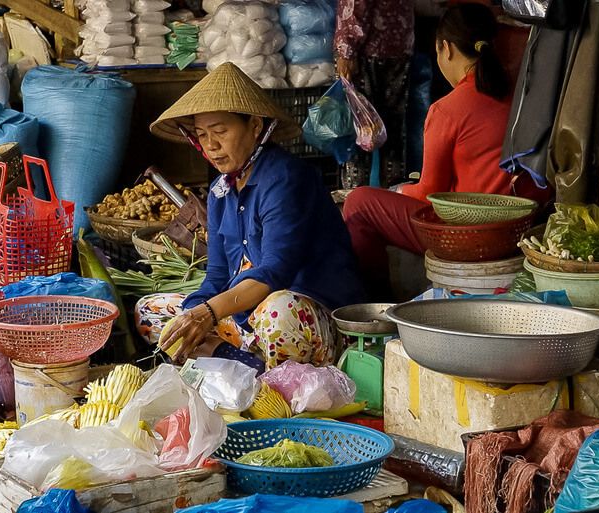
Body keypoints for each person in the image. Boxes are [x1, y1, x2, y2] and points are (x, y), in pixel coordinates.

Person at [135, 62, 365, 373]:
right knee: (152, 311)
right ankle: (244, 362)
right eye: (202, 135)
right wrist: (193, 313)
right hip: (246, 322)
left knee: (277, 311)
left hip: (309, 319)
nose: (211, 145)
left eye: (220, 131)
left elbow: (276, 271)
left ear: (255, 126)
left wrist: (208, 314)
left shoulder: (286, 178)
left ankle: (258, 373)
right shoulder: (220, 190)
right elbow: (217, 275)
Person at [342, 3, 547, 299]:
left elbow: (429, 193)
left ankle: (376, 304)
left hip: (470, 233)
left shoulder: (448, 110)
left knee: (360, 202)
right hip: (519, 226)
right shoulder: (524, 99)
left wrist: (399, 192)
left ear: (446, 48)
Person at [334, 0, 415, 186]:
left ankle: (354, 200)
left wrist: (346, 50)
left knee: (360, 131)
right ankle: (393, 197)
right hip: (400, 44)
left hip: (368, 50)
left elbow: (355, 6)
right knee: (394, 130)